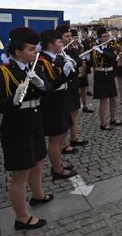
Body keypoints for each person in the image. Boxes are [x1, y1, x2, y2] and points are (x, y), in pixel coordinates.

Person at [0, 27, 51, 231]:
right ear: (17, 51)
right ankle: (22, 217)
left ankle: (38, 195)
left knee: (38, 162)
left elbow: (47, 90)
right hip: (16, 126)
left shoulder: (32, 67)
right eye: (31, 49)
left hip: (35, 121)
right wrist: (13, 101)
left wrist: (41, 84)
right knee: (20, 176)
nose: (35, 52)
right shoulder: (2, 71)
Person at [37, 29, 77, 180]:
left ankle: (58, 162)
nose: (62, 44)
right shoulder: (42, 61)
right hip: (52, 102)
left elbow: (69, 77)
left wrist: (72, 68)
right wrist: (64, 74)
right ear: (50, 45)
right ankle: (57, 169)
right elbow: (49, 86)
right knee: (55, 138)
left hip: (62, 98)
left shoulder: (57, 57)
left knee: (62, 134)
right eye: (59, 42)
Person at [58, 26, 88, 150]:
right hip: (65, 85)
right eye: (67, 36)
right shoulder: (59, 52)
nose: (70, 38)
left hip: (74, 83)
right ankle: (64, 143)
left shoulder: (72, 48)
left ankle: (74, 137)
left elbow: (77, 62)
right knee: (66, 115)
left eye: (71, 36)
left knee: (74, 112)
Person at [89, 27, 122, 129]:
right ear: (99, 38)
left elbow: (112, 57)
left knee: (113, 99)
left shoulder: (111, 47)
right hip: (100, 76)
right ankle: (103, 123)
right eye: (104, 36)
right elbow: (91, 63)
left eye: (107, 35)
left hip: (110, 74)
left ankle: (113, 119)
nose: (106, 37)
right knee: (103, 101)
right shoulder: (94, 49)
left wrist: (101, 52)